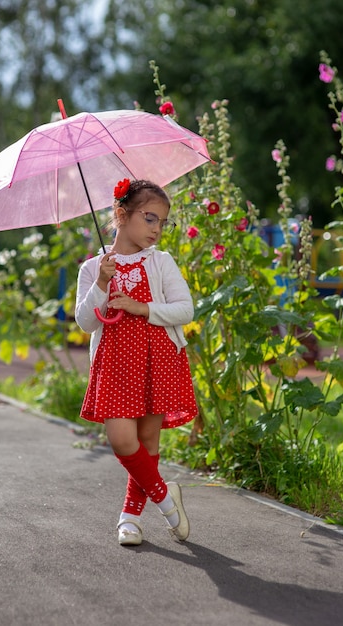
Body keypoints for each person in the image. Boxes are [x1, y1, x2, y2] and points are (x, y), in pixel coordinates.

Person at [75, 178, 198, 546]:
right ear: (121, 215)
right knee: (121, 438)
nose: (158, 229)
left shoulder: (160, 262)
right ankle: (166, 500)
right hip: (114, 365)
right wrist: (101, 284)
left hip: (157, 358)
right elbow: (85, 321)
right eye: (150, 219)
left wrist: (140, 307)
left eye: (163, 222)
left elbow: (184, 309)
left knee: (147, 438)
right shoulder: (94, 268)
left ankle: (130, 517)